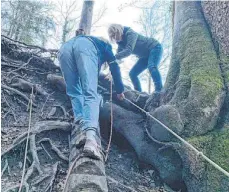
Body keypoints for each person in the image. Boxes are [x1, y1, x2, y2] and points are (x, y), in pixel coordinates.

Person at [58, 30, 125, 160]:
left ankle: (80, 124)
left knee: (74, 91)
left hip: (64, 49)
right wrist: (119, 90)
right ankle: (91, 141)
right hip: (85, 48)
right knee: (91, 94)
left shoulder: (83, 39)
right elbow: (115, 67)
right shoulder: (105, 45)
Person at [108, 24, 163, 93]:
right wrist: (110, 69)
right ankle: (138, 93)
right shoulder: (120, 43)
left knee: (152, 66)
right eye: (113, 37)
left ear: (118, 31)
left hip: (154, 47)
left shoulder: (130, 33)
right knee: (132, 73)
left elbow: (128, 51)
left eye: (115, 35)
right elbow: (117, 58)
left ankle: (159, 90)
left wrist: (113, 58)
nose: (115, 38)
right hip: (145, 56)